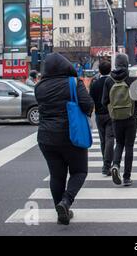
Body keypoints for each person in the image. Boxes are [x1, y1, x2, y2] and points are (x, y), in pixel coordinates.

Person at [35, 53, 94, 226]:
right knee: (79, 171)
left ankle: (60, 211)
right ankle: (66, 202)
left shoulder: (39, 87)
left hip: (46, 138)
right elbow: (87, 105)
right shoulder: (73, 83)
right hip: (71, 135)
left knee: (56, 176)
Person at [102, 54, 137, 187]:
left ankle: (115, 165)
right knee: (129, 146)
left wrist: (113, 110)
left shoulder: (109, 81)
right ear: (126, 64)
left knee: (119, 143)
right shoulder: (133, 79)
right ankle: (127, 177)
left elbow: (104, 101)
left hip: (115, 118)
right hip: (131, 117)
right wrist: (134, 111)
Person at [89, 61, 115, 177]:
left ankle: (106, 163)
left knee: (103, 140)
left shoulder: (94, 84)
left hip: (99, 114)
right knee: (110, 139)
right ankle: (107, 165)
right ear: (110, 70)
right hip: (110, 113)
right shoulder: (112, 82)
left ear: (99, 70)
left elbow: (91, 99)